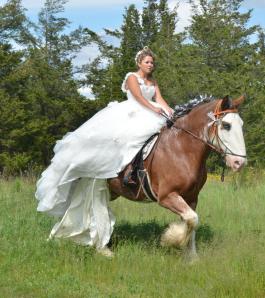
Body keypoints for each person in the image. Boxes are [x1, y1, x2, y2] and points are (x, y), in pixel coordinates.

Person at [35, 47, 173, 256]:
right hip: (134, 112)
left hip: (151, 112)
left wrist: (170, 111)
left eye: (152, 62)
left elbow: (160, 100)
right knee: (127, 140)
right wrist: (153, 109)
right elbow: (138, 99)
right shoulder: (132, 78)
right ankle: (124, 170)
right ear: (139, 63)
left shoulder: (153, 82)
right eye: (147, 62)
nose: (150, 65)